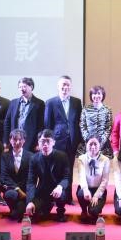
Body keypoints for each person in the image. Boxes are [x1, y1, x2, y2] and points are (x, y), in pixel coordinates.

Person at [44, 75, 83, 205]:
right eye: (63, 85)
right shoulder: (50, 102)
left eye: (67, 85)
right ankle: (55, 197)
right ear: (58, 86)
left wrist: (79, 139)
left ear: (70, 87)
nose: (65, 87)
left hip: (72, 141)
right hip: (56, 141)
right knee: (56, 169)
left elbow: (78, 121)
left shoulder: (77, 102)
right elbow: (47, 124)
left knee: (69, 170)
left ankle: (68, 197)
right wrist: (48, 141)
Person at [25, 129, 70, 222]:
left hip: (57, 189)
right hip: (42, 190)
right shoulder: (34, 158)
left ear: (53, 142)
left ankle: (60, 211)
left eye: (48, 141)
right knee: (37, 215)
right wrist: (30, 201)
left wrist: (60, 186)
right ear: (38, 142)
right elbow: (31, 182)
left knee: (61, 195)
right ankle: (47, 205)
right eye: (42, 141)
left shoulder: (62, 156)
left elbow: (66, 177)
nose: (45, 144)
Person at [3, 77, 45, 153]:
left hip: (31, 141)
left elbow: (41, 125)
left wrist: (38, 142)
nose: (21, 89)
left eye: (24, 86)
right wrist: (6, 141)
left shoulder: (39, 103)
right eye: (20, 87)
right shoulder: (13, 102)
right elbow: (7, 122)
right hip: (14, 140)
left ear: (31, 87)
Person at [0, 128, 32, 221]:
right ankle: (13, 208)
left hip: (25, 190)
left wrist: (23, 191)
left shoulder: (31, 156)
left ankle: (17, 209)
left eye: (20, 139)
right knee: (10, 195)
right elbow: (4, 176)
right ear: (10, 140)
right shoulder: (4, 156)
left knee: (19, 214)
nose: (17, 142)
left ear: (24, 140)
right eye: (14, 139)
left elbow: (30, 176)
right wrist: (18, 189)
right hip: (11, 188)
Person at [76, 136, 110, 223]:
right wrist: (85, 189)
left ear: (100, 145)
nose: (93, 147)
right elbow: (82, 176)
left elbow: (105, 180)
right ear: (86, 144)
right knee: (81, 194)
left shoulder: (105, 160)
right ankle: (84, 210)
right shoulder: (81, 159)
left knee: (93, 211)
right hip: (86, 188)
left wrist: (96, 195)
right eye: (90, 144)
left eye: (95, 144)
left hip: (98, 190)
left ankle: (95, 210)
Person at [80, 85, 114, 158]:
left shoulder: (107, 109)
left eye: (99, 93)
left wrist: (101, 141)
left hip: (104, 145)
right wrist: (88, 140)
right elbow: (83, 126)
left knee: (103, 163)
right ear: (91, 95)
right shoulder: (85, 109)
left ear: (103, 95)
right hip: (88, 143)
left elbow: (109, 127)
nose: (96, 96)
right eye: (94, 94)